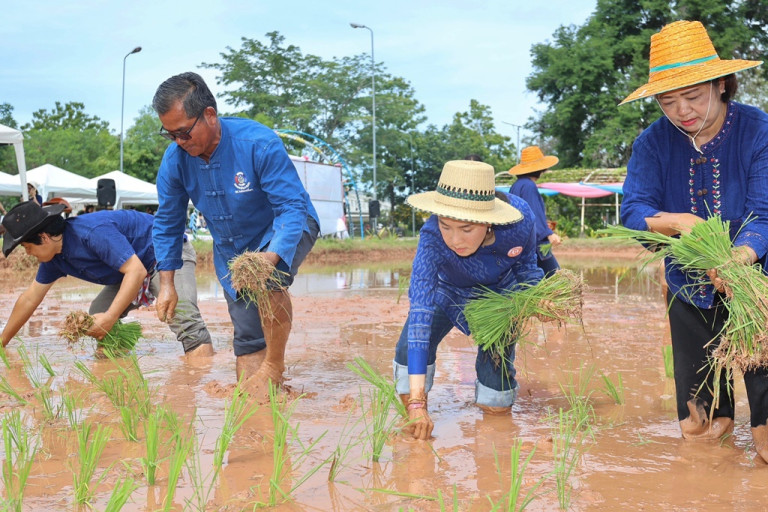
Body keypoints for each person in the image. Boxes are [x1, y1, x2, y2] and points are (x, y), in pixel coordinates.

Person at [619, 20, 768, 461]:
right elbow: (633, 211)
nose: (682, 110)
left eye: (693, 96)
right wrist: (675, 222)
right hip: (688, 287)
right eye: (668, 101)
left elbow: (764, 211)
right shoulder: (651, 144)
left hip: (757, 283)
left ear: (721, 84)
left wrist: (740, 257)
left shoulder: (758, 131)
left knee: (766, 416)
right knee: (700, 419)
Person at [151, 71, 320, 397]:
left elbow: (290, 207)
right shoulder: (175, 160)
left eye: (184, 132)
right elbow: (169, 222)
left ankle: (274, 367)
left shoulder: (258, 143)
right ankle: (259, 404)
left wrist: (269, 258)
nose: (179, 142)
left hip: (286, 226)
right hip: (232, 250)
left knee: (269, 282)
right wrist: (168, 284)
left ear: (209, 115)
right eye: (170, 135)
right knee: (247, 338)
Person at [393, 160, 544, 440]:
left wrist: (535, 298)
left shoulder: (520, 222)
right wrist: (416, 403)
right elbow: (420, 315)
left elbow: (527, 267)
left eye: (466, 229)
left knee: (495, 378)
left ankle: (496, 440)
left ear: (490, 221)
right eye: (446, 225)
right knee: (407, 348)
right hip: (448, 289)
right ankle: (414, 420)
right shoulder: (432, 238)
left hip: (500, 295)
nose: (454, 240)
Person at [0, 200, 213, 359]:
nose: (28, 253)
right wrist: (2, 342)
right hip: (133, 266)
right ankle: (116, 360)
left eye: (27, 247)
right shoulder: (53, 259)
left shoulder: (92, 233)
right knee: (97, 314)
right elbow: (30, 298)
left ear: (44, 237)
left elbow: (136, 272)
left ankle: (201, 375)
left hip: (164, 252)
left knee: (182, 314)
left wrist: (111, 317)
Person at [508, 146, 562, 276]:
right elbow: (532, 214)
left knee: (532, 278)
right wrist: (548, 233)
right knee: (557, 278)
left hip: (520, 241)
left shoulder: (517, 185)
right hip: (534, 242)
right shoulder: (529, 186)